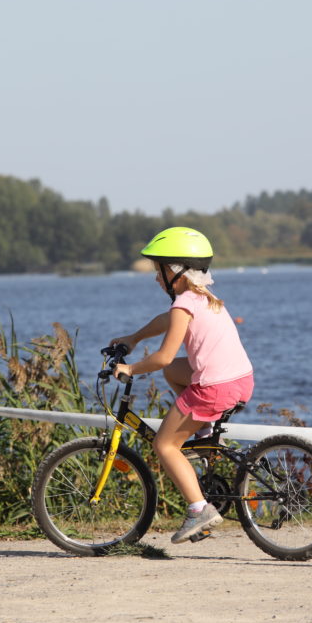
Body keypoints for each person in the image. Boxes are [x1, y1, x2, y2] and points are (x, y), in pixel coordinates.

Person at [110, 227, 253, 544]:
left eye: (159, 270)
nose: (156, 278)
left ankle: (200, 509)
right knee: (175, 372)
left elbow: (162, 356)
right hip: (240, 380)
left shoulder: (184, 304)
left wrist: (130, 368)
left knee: (164, 445)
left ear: (175, 270)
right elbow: (167, 321)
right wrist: (134, 337)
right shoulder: (203, 297)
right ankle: (204, 432)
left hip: (214, 388)